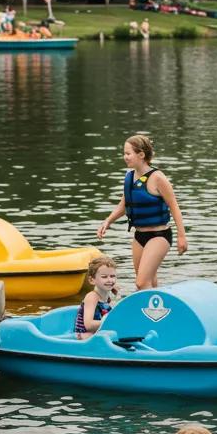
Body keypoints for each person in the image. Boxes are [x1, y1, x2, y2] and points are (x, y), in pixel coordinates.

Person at [96, 134, 188, 290]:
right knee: (147, 282)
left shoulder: (157, 177)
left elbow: (174, 205)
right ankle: (156, 310)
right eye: (124, 153)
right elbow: (124, 205)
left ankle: (152, 312)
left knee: (141, 282)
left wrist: (181, 236)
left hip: (159, 235)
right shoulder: (129, 177)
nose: (125, 157)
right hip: (139, 236)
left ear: (141, 155)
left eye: (128, 153)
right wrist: (108, 221)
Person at [75, 255, 119, 338]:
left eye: (112, 276)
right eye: (104, 277)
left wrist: (117, 295)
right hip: (84, 336)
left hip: (99, 334)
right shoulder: (92, 297)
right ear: (92, 280)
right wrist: (112, 322)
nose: (109, 280)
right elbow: (88, 325)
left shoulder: (107, 297)